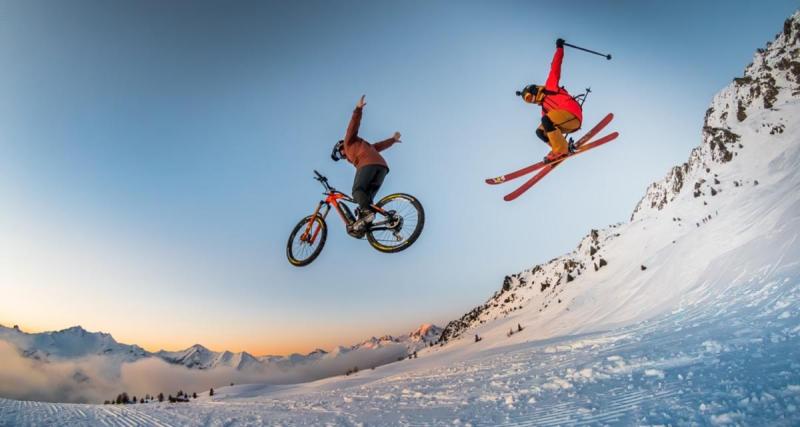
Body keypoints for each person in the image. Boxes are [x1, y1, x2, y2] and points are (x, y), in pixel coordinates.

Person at [331, 95, 401, 231]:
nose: (343, 156)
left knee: (357, 191)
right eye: (340, 157)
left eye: (340, 153)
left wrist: (358, 109)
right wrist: (392, 140)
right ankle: (380, 221)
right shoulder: (365, 147)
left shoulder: (348, 142)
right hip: (382, 168)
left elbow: (353, 126)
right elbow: (379, 146)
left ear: (341, 146)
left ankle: (367, 213)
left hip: (368, 164)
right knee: (366, 201)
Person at [518, 38, 583, 163]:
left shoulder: (550, 87)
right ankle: (560, 148)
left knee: (546, 120)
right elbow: (550, 129)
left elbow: (555, 66)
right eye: (529, 101)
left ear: (534, 90)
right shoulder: (544, 109)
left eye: (530, 97)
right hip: (567, 123)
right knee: (540, 131)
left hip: (572, 113)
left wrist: (559, 48)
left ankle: (561, 149)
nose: (532, 101)